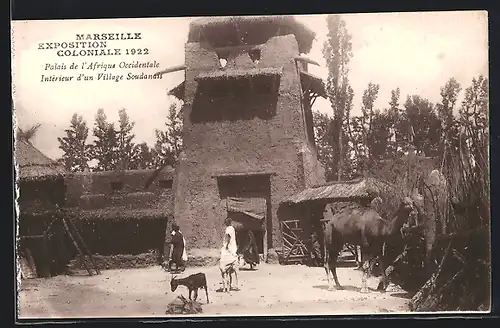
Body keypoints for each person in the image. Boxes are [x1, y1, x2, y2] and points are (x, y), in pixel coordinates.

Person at [219, 217, 239, 290]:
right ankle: (234, 284)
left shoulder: (228, 229)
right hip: (233, 247)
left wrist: (226, 245)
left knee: (224, 265)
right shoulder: (232, 228)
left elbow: (228, 236)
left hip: (229, 248)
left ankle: (227, 285)